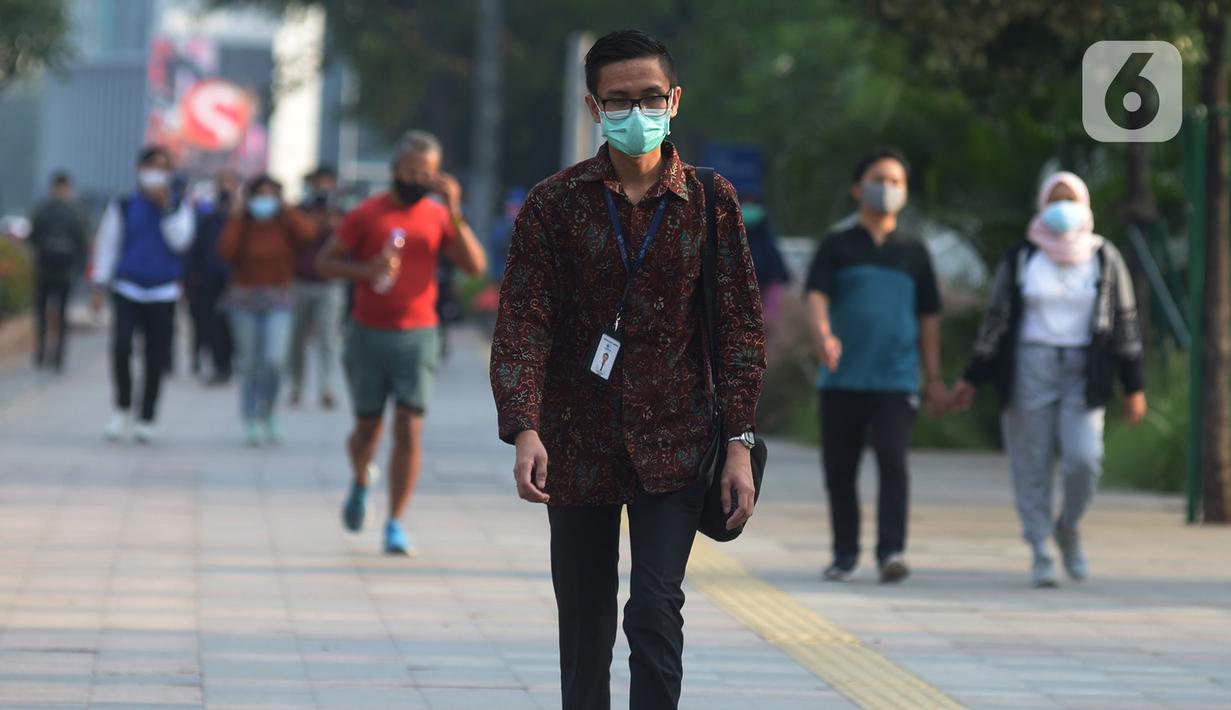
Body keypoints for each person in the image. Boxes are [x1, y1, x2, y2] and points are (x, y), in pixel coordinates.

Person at [490, 30, 766, 709]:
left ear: (673, 100)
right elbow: (523, 322)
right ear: (593, 107)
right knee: (583, 625)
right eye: (618, 100)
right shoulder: (555, 204)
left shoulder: (710, 200)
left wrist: (738, 442)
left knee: (652, 609)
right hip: (575, 445)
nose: (635, 111)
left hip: (675, 444)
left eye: (648, 97)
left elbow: (738, 328)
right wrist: (523, 426)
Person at [951, 171, 1147, 588]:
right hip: (1029, 365)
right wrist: (972, 376)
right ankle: (1039, 545)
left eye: (1070, 199)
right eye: (1054, 199)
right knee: (1031, 461)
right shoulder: (1023, 255)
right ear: (1042, 205)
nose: (1062, 208)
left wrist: (1134, 387)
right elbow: (996, 319)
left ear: (1085, 205)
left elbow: (1125, 323)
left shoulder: (1103, 257)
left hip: (1084, 369)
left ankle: (1069, 527)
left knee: (1084, 458)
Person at [315, 130, 487, 555]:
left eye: (427, 173)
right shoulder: (367, 215)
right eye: (411, 171)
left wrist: (455, 210)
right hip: (368, 335)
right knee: (367, 430)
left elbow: (475, 266)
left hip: (418, 335)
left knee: (409, 428)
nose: (418, 180)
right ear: (395, 170)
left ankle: (395, 521)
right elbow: (325, 262)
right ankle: (360, 480)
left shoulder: (439, 214)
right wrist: (366, 271)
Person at [804, 146, 944, 585]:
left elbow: (929, 318)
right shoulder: (837, 244)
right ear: (857, 188)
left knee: (893, 458)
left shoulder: (914, 252)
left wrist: (934, 377)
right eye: (879, 180)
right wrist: (823, 335)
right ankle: (844, 553)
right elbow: (816, 296)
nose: (887, 189)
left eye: (896, 182)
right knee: (840, 468)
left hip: (896, 377)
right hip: (842, 379)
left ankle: (890, 551)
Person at [90, 145, 196, 443]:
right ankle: (122, 406)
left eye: (162, 168)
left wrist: (167, 209)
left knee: (155, 357)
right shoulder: (122, 205)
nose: (155, 173)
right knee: (121, 348)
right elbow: (108, 245)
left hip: (163, 292)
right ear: (139, 169)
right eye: (151, 166)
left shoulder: (179, 206)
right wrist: (99, 285)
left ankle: (147, 416)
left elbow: (181, 241)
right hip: (128, 288)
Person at [218, 175, 315, 446]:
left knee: (274, 359)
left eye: (270, 195)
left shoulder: (285, 222)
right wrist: (239, 214)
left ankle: (269, 411)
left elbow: (308, 234)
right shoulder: (243, 223)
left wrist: (286, 209)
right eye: (259, 195)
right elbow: (226, 250)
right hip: (244, 298)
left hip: (278, 296)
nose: (264, 201)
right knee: (249, 363)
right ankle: (249, 417)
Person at [287, 165, 346, 409]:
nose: (323, 187)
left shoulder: (341, 213)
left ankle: (327, 387)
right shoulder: (299, 212)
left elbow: (349, 247)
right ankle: (296, 386)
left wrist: (335, 225)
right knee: (296, 337)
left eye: (327, 182)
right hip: (300, 281)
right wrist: (311, 225)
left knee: (328, 338)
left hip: (329, 284)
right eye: (318, 182)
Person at [27, 171, 88, 372]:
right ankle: (57, 355)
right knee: (59, 315)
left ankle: (43, 353)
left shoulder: (43, 209)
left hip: (45, 270)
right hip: (63, 273)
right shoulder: (76, 212)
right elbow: (82, 244)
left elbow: (32, 239)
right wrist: (79, 270)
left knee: (43, 313)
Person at [185, 171, 239, 385]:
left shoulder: (242, 220)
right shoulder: (207, 220)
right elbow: (196, 252)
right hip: (208, 282)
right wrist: (191, 281)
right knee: (211, 325)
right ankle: (219, 366)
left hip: (237, 282)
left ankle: (230, 364)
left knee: (232, 326)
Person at [740, 193, 790, 323]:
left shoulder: (766, 237)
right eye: (745, 203)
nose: (749, 208)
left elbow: (776, 276)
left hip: (766, 290)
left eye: (753, 203)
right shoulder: (729, 237)